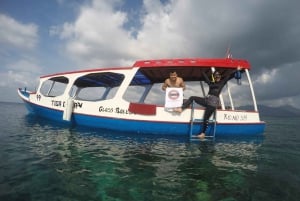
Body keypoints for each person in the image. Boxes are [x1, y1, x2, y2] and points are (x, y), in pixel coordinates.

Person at [175, 67, 241, 138]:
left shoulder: (222, 82)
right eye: (216, 75)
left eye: (218, 75)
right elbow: (205, 77)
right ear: (214, 77)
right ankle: (181, 109)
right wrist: (201, 69)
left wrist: (237, 70)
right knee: (192, 98)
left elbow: (228, 76)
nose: (217, 76)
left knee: (206, 118)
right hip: (207, 100)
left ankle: (203, 133)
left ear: (220, 76)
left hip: (213, 103)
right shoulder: (211, 83)